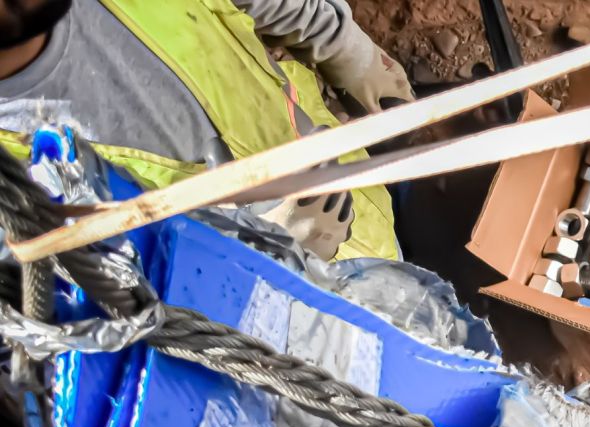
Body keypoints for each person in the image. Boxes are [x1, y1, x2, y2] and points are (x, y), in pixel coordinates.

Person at [0, 0, 409, 260]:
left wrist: (345, 49)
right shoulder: (13, 198)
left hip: (366, 189)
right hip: (322, 318)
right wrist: (261, 249)